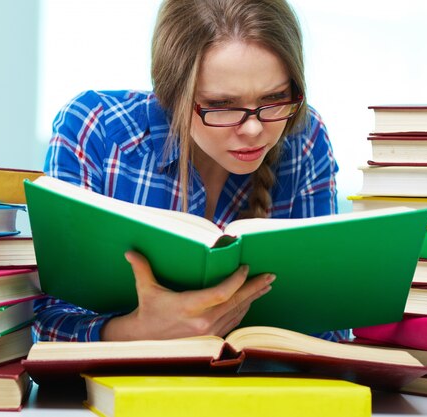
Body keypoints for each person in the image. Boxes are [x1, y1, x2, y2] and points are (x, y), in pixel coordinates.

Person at [34, 0, 348, 343]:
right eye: (221, 105)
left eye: (275, 97)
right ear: (172, 94)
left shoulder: (303, 136)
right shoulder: (99, 130)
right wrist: (136, 333)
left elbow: (329, 323)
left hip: (266, 391)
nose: (254, 130)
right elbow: (46, 327)